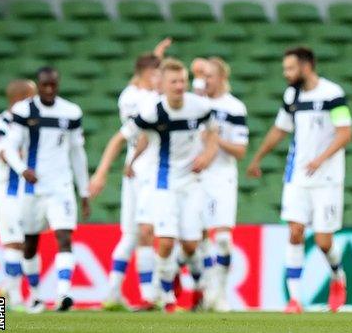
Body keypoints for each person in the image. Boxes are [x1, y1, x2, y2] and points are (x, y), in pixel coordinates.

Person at [247, 47, 352, 314]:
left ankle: (338, 276)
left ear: (306, 67)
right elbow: (280, 129)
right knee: (294, 232)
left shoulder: (332, 94)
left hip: (327, 178)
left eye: (290, 68)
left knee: (323, 242)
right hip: (297, 177)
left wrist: (320, 159)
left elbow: (345, 133)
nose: (286, 74)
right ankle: (294, 299)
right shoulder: (291, 95)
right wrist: (257, 158)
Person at [122, 58, 218, 312]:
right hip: (163, 184)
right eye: (173, 81)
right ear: (162, 84)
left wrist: (207, 155)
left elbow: (213, 132)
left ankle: (198, 286)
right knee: (163, 242)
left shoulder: (200, 106)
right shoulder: (151, 111)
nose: (178, 85)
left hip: (192, 183)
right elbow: (129, 137)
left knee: (190, 245)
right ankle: (167, 298)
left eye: (182, 81)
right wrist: (126, 162)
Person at [4, 67, 91, 313]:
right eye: (45, 85)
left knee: (64, 237)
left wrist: (83, 191)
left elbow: (77, 153)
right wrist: (22, 169)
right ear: (38, 86)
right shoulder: (24, 112)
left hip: (61, 187)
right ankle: (34, 295)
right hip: (31, 189)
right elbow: (9, 148)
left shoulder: (71, 112)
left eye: (54, 85)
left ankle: (63, 293)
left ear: (58, 84)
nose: (50, 90)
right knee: (30, 245)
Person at [89, 53, 162, 310]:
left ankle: (113, 292)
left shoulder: (127, 95)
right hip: (147, 166)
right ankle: (148, 295)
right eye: (157, 73)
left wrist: (154, 58)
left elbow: (141, 74)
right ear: (147, 74)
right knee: (142, 232)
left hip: (132, 164)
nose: (160, 79)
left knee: (133, 233)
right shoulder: (153, 101)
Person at [197, 57, 249, 312]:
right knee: (200, 239)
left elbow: (240, 151)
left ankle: (220, 293)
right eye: (203, 75)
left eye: (210, 76)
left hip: (222, 176)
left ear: (221, 78)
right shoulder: (195, 104)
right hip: (196, 177)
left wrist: (217, 140)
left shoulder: (234, 108)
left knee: (224, 240)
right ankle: (206, 290)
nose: (205, 80)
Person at [0, 79, 36, 310]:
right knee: (13, 244)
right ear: (20, 99)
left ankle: (7, 293)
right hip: (6, 193)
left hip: (25, 194)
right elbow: (2, 153)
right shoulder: (1, 124)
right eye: (31, 97)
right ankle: (14, 299)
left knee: (22, 244)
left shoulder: (28, 124)